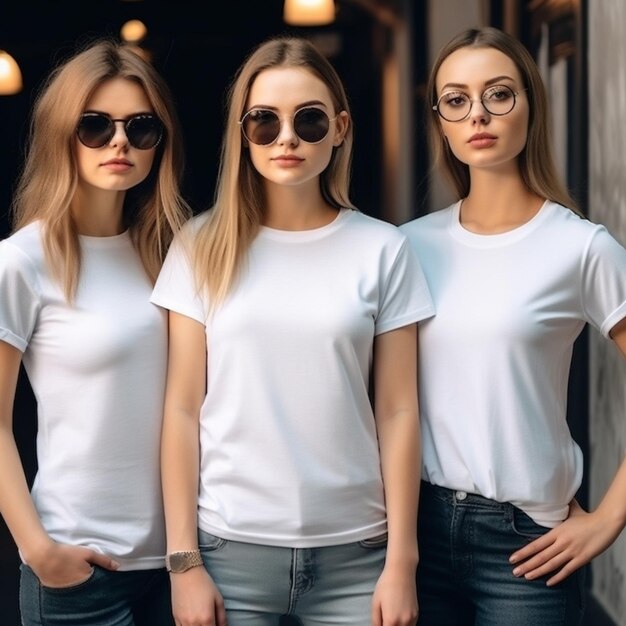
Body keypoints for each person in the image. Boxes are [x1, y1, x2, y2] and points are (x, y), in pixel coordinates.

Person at [150, 35, 434, 626]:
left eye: (308, 120)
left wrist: (401, 561)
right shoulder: (200, 246)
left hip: (358, 554)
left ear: (340, 128)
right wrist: (184, 563)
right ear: (241, 132)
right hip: (229, 551)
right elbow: (181, 409)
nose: (287, 138)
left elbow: (400, 410)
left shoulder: (382, 248)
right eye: (264, 121)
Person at [400, 26, 626, 626]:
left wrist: (609, 518)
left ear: (531, 104)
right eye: (456, 100)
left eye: (499, 94)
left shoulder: (581, 248)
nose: (478, 114)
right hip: (411, 531)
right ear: (441, 120)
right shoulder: (406, 247)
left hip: (525, 542)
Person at [0, 38, 191, 625]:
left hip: (184, 565)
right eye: (95, 125)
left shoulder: (175, 254)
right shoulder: (22, 261)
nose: (120, 143)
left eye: (141, 128)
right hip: (79, 571)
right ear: (63, 133)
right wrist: (38, 549)